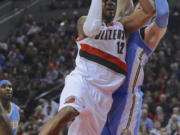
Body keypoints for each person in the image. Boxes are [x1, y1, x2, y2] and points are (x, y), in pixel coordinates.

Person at [38, 0, 155, 134]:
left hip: (103, 96)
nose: (110, 3)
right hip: (83, 81)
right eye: (105, 1)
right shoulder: (83, 21)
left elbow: (150, 11)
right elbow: (91, 27)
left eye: (113, 1)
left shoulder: (123, 26)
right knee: (67, 112)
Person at [101, 0, 169, 134]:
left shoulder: (146, 34)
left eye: (144, 7)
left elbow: (164, 14)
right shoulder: (118, 26)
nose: (139, 7)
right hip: (104, 96)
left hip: (126, 101)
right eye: (139, 5)